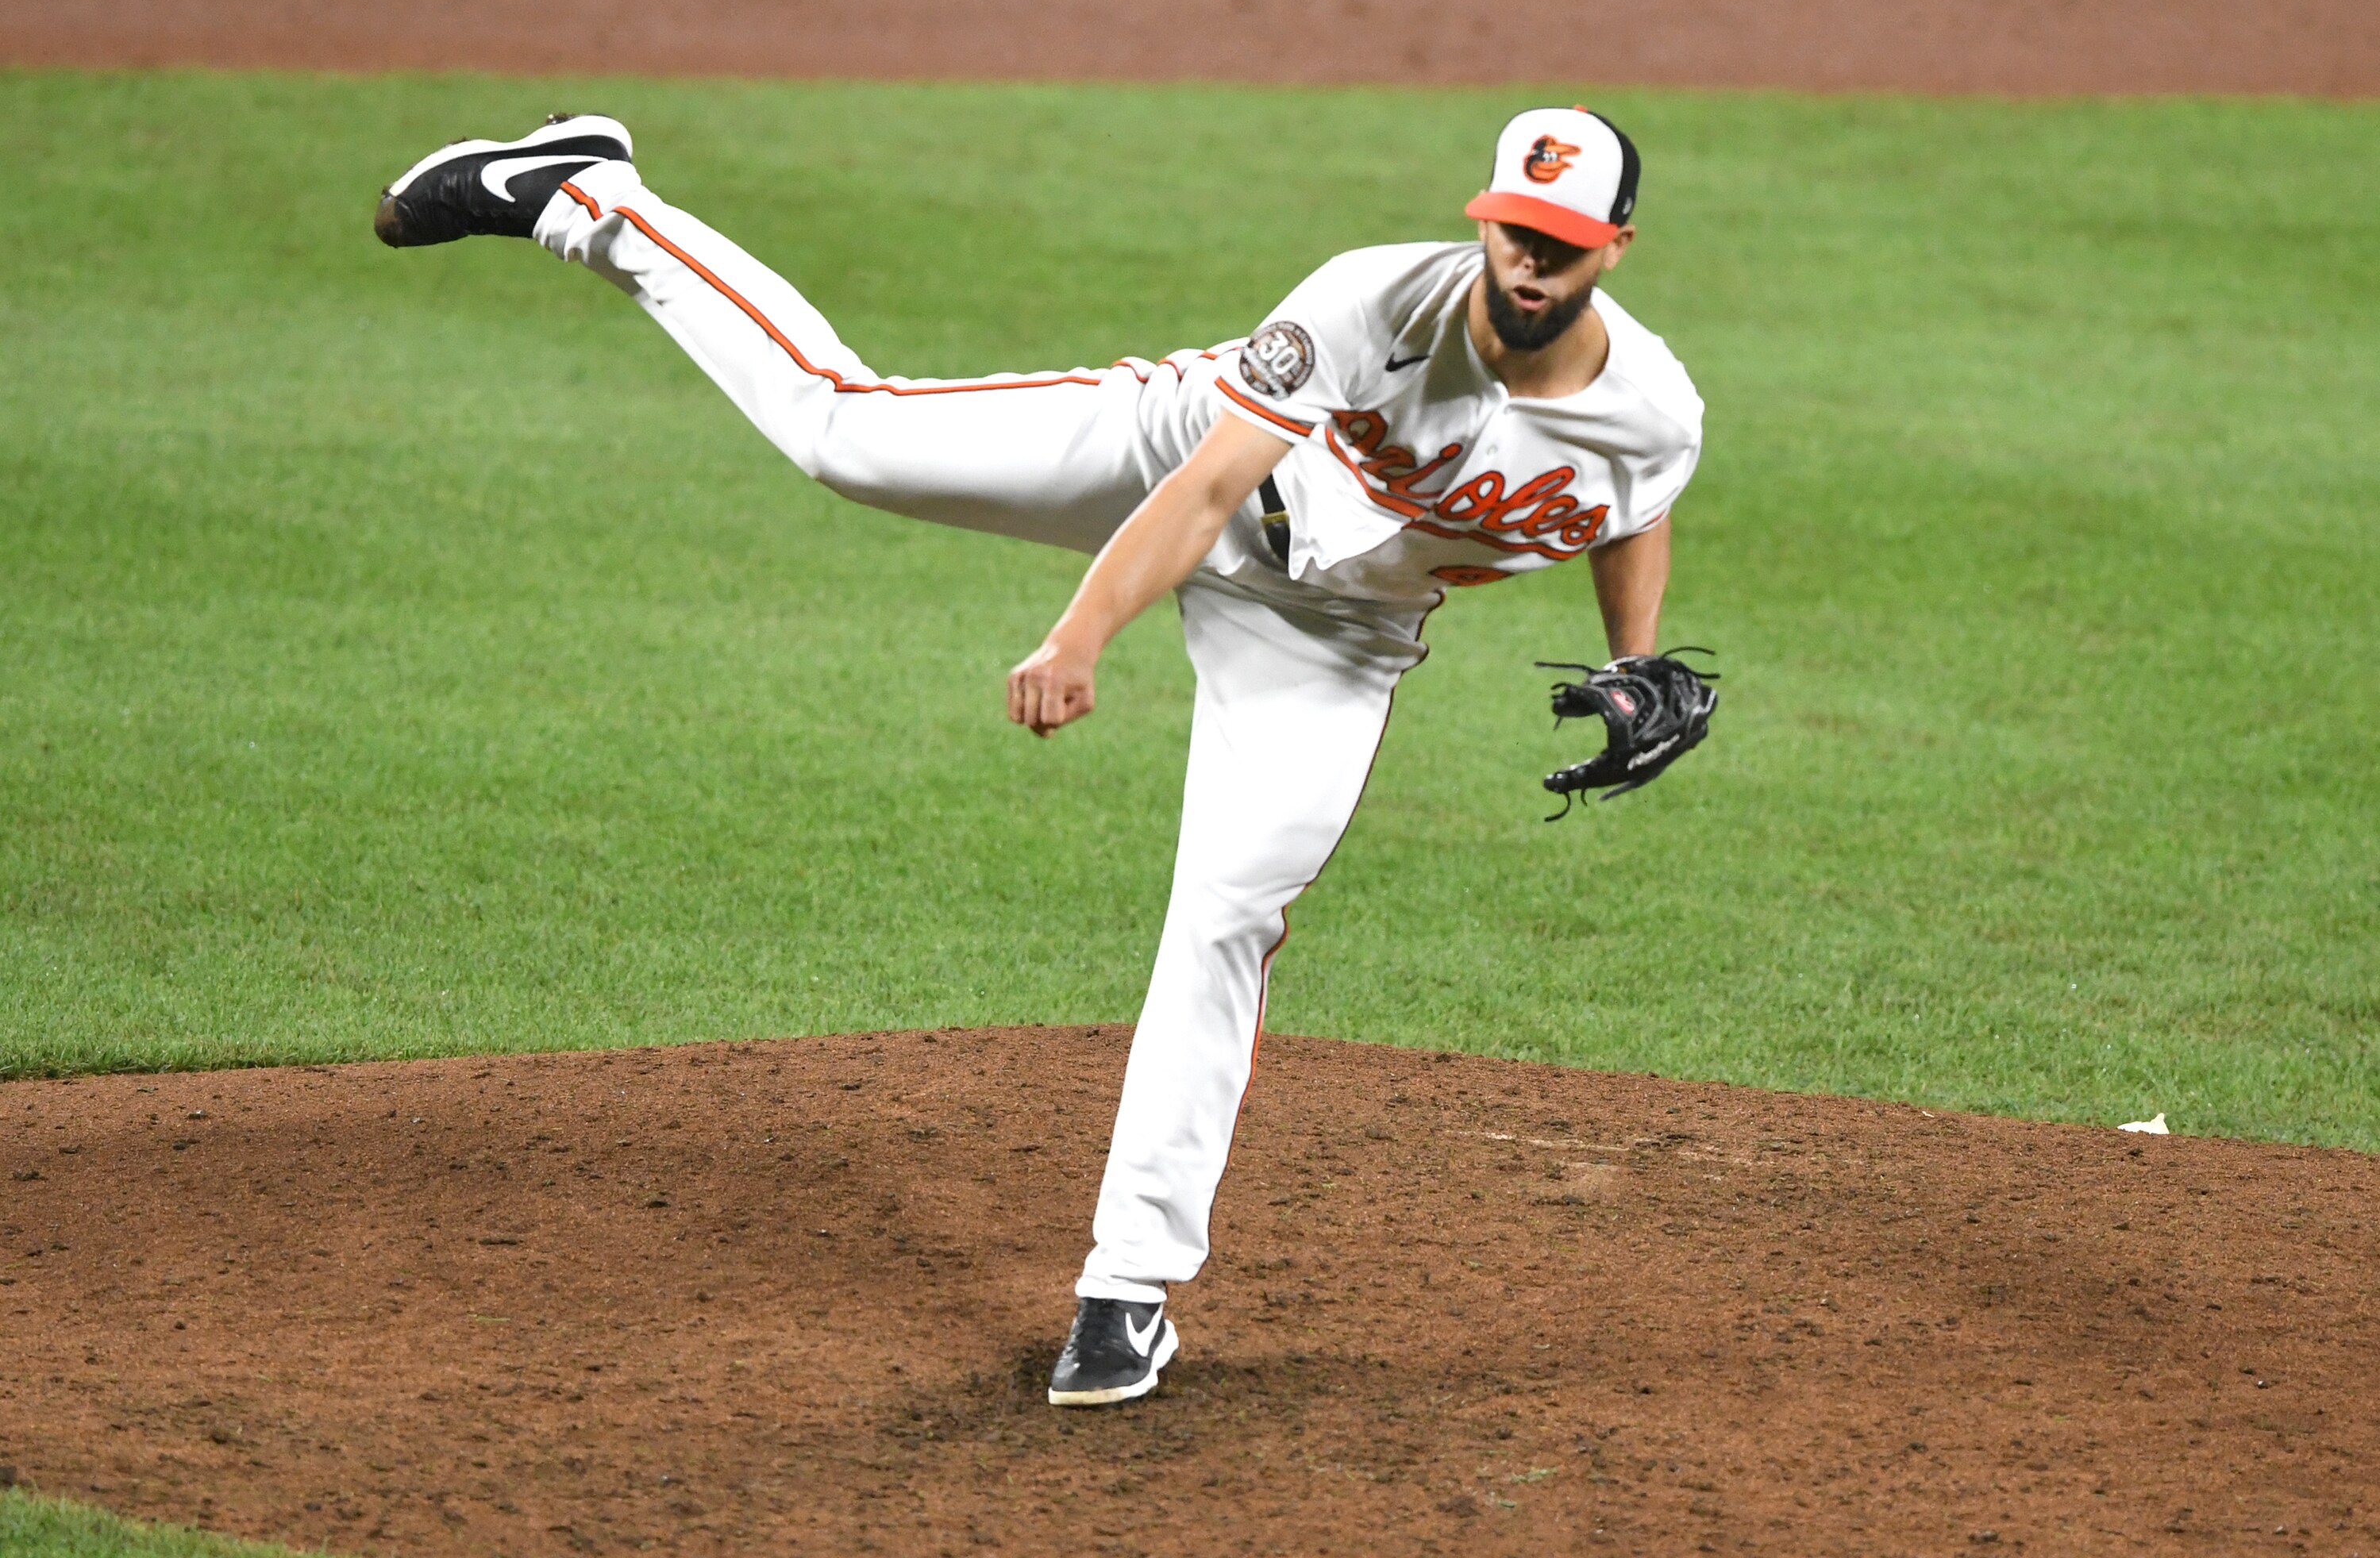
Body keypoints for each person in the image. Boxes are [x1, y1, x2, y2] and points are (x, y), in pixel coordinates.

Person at [372, 104, 1704, 1407]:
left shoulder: (1652, 409)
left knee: (1229, 918)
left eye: (1563, 243)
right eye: (1513, 231)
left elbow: (1629, 506)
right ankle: (586, 198)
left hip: (1336, 637)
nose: (1530, 262)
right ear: (1485, 221)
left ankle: (1128, 1289)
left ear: (1615, 249)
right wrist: (1080, 639)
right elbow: (1201, 495)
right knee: (848, 433)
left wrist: (1635, 659)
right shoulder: (1372, 303)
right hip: (1177, 457)